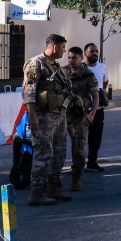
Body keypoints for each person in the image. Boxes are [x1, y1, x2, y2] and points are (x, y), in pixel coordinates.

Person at [22, 34, 72, 206]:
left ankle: (53, 189)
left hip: (59, 116)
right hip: (43, 117)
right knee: (44, 154)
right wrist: (32, 117)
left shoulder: (56, 67)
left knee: (59, 153)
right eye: (64, 47)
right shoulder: (36, 63)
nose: (65, 51)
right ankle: (37, 193)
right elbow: (28, 92)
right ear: (56, 47)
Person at [63, 46, 100, 192]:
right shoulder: (62, 72)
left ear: (80, 58)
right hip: (62, 114)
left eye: (74, 58)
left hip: (79, 116)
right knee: (57, 146)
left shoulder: (87, 74)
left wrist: (92, 115)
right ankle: (53, 179)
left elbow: (95, 96)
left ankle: (76, 177)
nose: (71, 61)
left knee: (78, 148)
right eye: (69, 58)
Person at [83, 42, 109, 172]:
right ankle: (78, 163)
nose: (95, 53)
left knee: (96, 137)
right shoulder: (80, 68)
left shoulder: (102, 67)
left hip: (98, 109)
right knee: (79, 137)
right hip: (81, 110)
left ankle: (92, 162)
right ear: (85, 53)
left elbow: (105, 82)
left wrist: (99, 96)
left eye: (96, 51)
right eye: (92, 51)